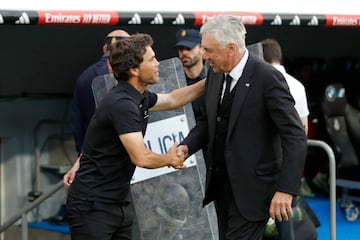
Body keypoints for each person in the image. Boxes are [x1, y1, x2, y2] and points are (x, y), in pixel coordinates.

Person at [176, 15, 307, 240]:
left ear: (231, 48)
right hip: (221, 191)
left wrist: (286, 189)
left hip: (254, 194)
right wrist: (187, 146)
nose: (204, 56)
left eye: (209, 50)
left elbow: (295, 136)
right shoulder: (216, 76)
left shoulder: (268, 78)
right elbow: (209, 122)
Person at [64, 33, 205, 240]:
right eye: (152, 60)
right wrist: (169, 159)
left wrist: (213, 81)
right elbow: (141, 157)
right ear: (134, 70)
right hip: (93, 206)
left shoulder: (138, 96)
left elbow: (174, 99)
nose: (158, 63)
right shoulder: (122, 104)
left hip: (118, 203)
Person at [261, 38, 316, 240]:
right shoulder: (298, 85)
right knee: (286, 227)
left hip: (266, 165)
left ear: (262, 57)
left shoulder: (263, 82)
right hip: (289, 165)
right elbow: (303, 130)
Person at [70, 29, 130, 155]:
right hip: (123, 152)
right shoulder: (130, 74)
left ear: (104, 48)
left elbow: (77, 123)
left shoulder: (84, 77)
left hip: (93, 152)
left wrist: (83, 154)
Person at [175, 28, 207, 122]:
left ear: (202, 49)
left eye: (189, 48)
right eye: (181, 49)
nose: (184, 53)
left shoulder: (213, 78)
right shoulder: (175, 83)